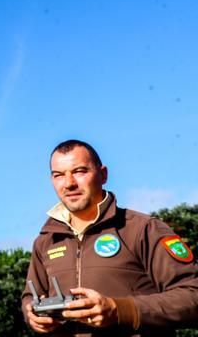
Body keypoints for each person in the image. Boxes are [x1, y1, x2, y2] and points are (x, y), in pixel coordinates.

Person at [22, 139, 198, 336]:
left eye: (80, 171)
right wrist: (32, 315)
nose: (69, 183)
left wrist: (119, 309)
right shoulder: (46, 240)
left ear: (103, 174)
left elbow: (193, 295)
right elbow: (30, 296)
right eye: (59, 175)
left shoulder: (143, 229)